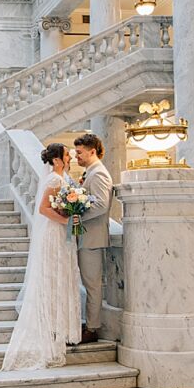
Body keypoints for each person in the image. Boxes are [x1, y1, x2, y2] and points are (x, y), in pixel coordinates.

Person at [1, 143, 81, 371]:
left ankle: (57, 330)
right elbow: (44, 208)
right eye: (66, 155)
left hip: (59, 233)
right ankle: (50, 334)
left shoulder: (62, 178)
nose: (70, 157)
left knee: (59, 278)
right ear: (56, 160)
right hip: (54, 234)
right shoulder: (55, 180)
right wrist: (68, 220)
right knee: (51, 280)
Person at [72, 133, 113, 343]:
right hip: (86, 238)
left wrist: (77, 215)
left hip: (93, 239)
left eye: (79, 152)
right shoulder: (91, 172)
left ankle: (92, 328)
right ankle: (88, 323)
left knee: (93, 285)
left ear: (92, 151)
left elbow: (100, 205)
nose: (76, 156)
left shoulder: (99, 174)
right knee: (88, 284)